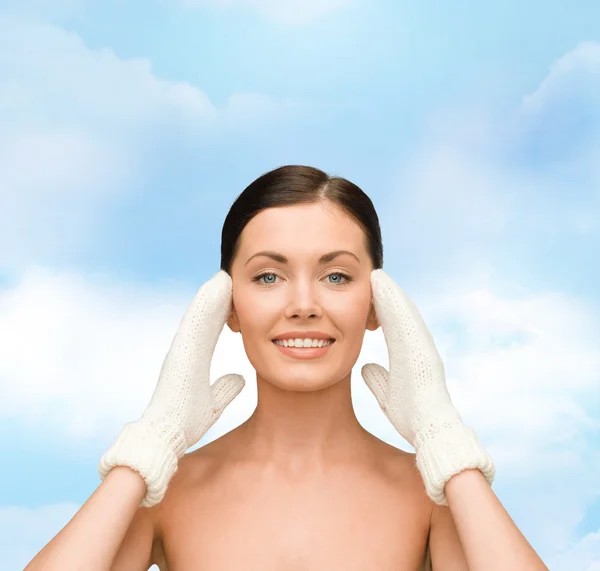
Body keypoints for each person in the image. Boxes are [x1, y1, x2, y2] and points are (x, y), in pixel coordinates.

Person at [25, 165, 549, 571]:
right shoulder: (164, 492)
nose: (303, 303)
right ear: (226, 304)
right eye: (269, 277)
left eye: (337, 277)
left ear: (378, 304)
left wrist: (445, 443)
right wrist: (147, 449)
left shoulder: (432, 495)